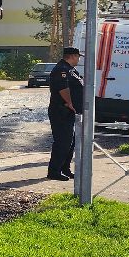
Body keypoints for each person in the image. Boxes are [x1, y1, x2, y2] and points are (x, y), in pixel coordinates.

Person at [46, 47, 84, 181]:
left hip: (68, 112)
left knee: (70, 142)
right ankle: (54, 171)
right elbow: (63, 88)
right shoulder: (61, 69)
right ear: (73, 56)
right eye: (78, 56)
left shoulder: (71, 70)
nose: (79, 59)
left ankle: (65, 168)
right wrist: (69, 103)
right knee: (62, 142)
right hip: (60, 110)